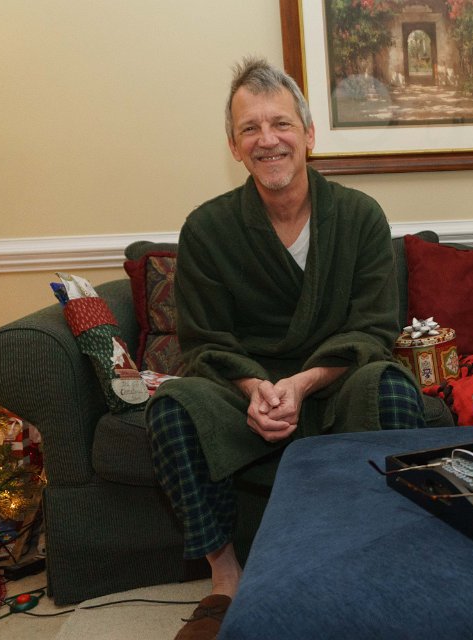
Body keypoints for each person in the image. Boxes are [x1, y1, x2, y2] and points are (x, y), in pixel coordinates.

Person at [146, 57, 427, 640]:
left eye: (280, 124)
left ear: (309, 134)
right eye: (250, 128)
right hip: (245, 394)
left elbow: (374, 329)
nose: (267, 139)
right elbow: (205, 342)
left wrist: (301, 384)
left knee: (392, 385)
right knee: (172, 406)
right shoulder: (207, 229)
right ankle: (225, 580)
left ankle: (387, 562)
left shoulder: (359, 216)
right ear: (233, 145)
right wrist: (258, 388)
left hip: (335, 383)